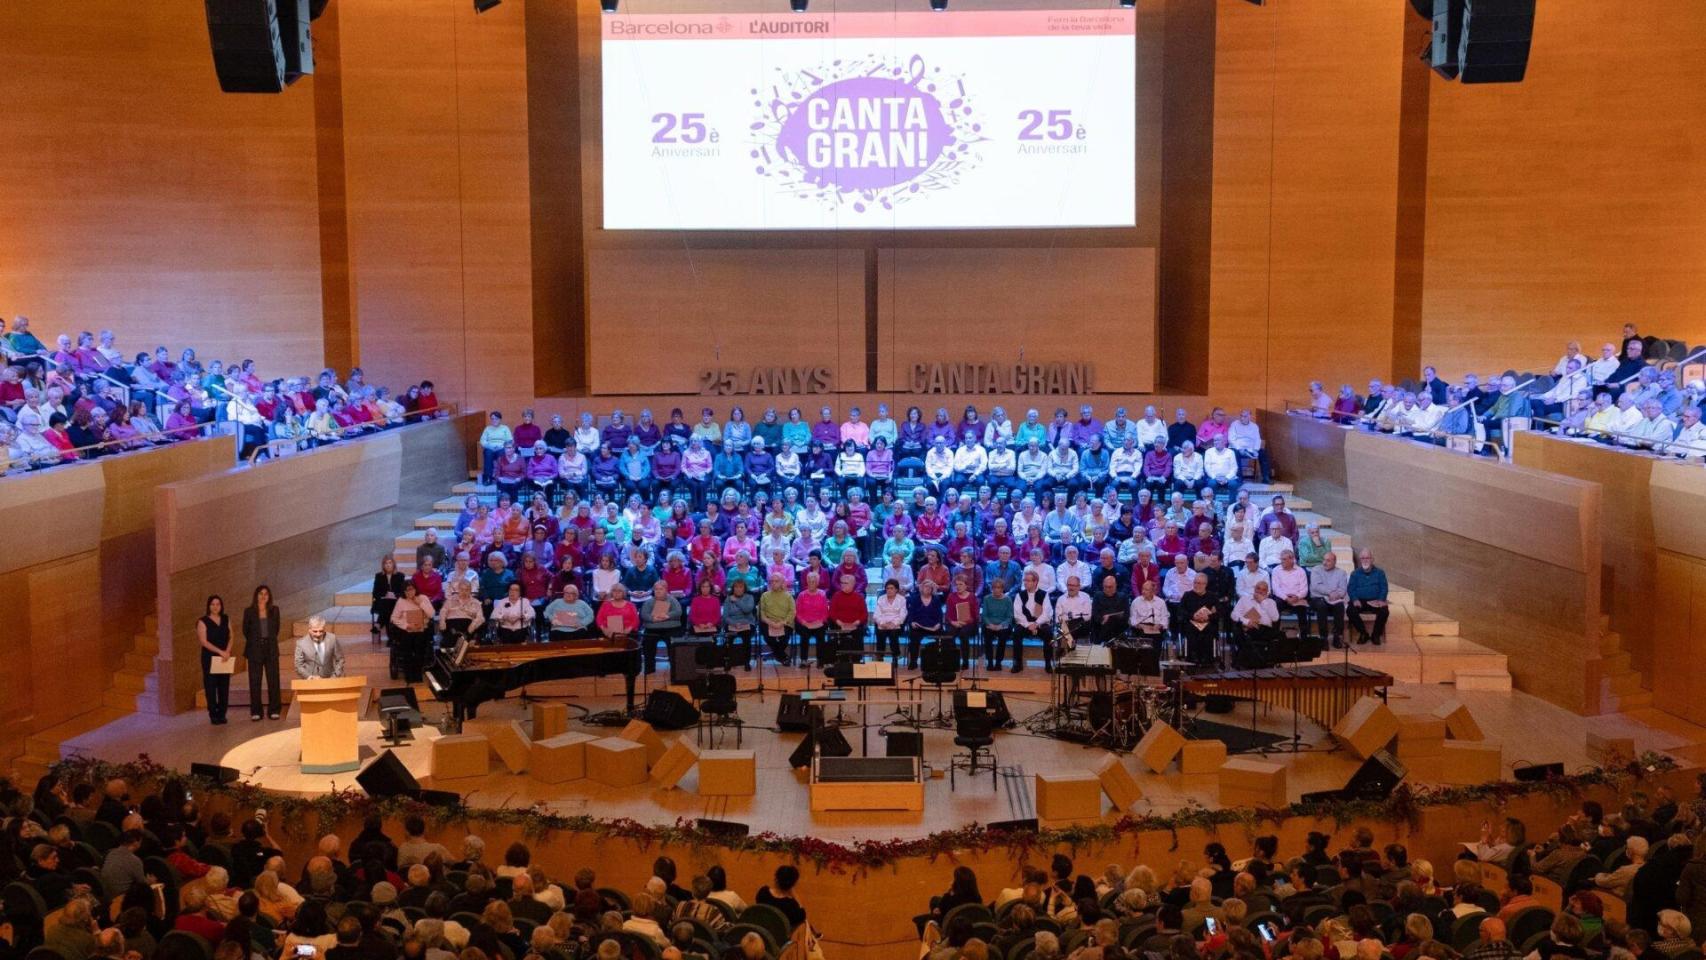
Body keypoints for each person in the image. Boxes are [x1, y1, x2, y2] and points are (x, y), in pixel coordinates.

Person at [243, 584, 283, 721]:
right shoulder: (249, 611)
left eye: (266, 594)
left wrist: (266, 640)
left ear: (269, 596)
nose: (263, 596)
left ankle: (274, 710)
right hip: (254, 649)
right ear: (256, 595)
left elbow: (276, 629)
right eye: (260, 593)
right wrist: (257, 641)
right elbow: (245, 631)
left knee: (273, 680)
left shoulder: (274, 610)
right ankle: (256, 711)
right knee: (255, 681)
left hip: (270, 648)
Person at [196, 594, 234, 725]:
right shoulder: (202, 621)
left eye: (218, 604)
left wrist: (227, 651)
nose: (215, 607)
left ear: (221, 606)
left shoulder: (226, 619)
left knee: (224, 686)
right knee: (210, 686)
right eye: (212, 604)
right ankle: (213, 714)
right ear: (209, 606)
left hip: (224, 657)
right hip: (209, 658)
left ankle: (222, 714)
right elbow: (204, 641)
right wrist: (220, 652)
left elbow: (231, 636)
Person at [389, 583, 436, 683]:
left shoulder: (423, 598)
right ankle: (409, 675)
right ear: (404, 592)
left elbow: (432, 614)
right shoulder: (401, 601)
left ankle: (417, 675)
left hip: (422, 629)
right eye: (407, 590)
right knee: (407, 648)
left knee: (420, 648)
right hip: (407, 629)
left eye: (411, 589)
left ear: (415, 589)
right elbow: (394, 618)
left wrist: (420, 604)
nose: (409, 592)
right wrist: (406, 625)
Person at [638, 580, 683, 675]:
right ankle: (649, 671)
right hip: (652, 628)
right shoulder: (649, 602)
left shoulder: (672, 600)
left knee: (674, 647)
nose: (658, 591)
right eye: (656, 589)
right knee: (648, 645)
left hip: (671, 628)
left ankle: (676, 671)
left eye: (661, 589)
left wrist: (667, 616)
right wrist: (653, 619)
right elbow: (644, 614)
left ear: (666, 590)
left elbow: (678, 612)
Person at [1348, 550, 1390, 645]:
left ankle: (1376, 634)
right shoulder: (1355, 573)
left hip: (1376, 600)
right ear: (1360, 560)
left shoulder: (1380, 573)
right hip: (1360, 601)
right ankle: (1363, 633)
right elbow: (1350, 588)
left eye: (1367, 558)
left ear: (1372, 559)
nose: (1365, 560)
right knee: (1350, 610)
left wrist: (1381, 599)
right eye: (1362, 558)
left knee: (1384, 611)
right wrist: (1354, 599)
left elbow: (1384, 587)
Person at [295, 615, 346, 679]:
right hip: (311, 681)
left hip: (330, 678)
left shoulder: (332, 638)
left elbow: (340, 659)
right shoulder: (301, 643)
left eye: (321, 631)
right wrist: (309, 677)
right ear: (309, 630)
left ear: (324, 629)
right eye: (315, 631)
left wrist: (335, 676)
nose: (318, 634)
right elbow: (298, 666)